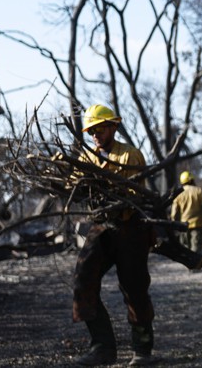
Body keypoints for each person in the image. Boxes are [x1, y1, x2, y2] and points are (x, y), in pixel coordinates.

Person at [72, 104, 157, 366]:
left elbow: (130, 196)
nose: (95, 135)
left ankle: (142, 350)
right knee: (82, 279)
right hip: (101, 227)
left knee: (134, 287)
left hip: (130, 228)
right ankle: (102, 348)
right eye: (91, 131)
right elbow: (75, 183)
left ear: (113, 127)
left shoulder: (130, 155)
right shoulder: (88, 158)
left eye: (99, 129)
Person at [171, 171, 202, 255]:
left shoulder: (179, 193)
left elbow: (174, 211)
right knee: (196, 247)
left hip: (184, 225)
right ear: (191, 180)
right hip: (198, 224)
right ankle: (195, 266)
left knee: (186, 246)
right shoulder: (198, 191)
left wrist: (174, 223)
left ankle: (191, 265)